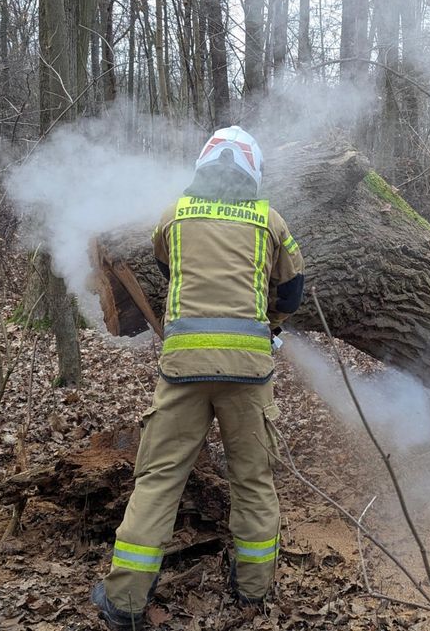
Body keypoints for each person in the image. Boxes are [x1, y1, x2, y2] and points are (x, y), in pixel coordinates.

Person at [91, 126, 305, 630]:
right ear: (252, 170)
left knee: (159, 480)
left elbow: (169, 269)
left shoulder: (174, 215)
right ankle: (253, 593)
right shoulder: (270, 221)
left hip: (182, 369)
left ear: (203, 166)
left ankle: (124, 602)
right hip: (249, 376)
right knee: (252, 480)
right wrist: (271, 326)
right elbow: (293, 289)